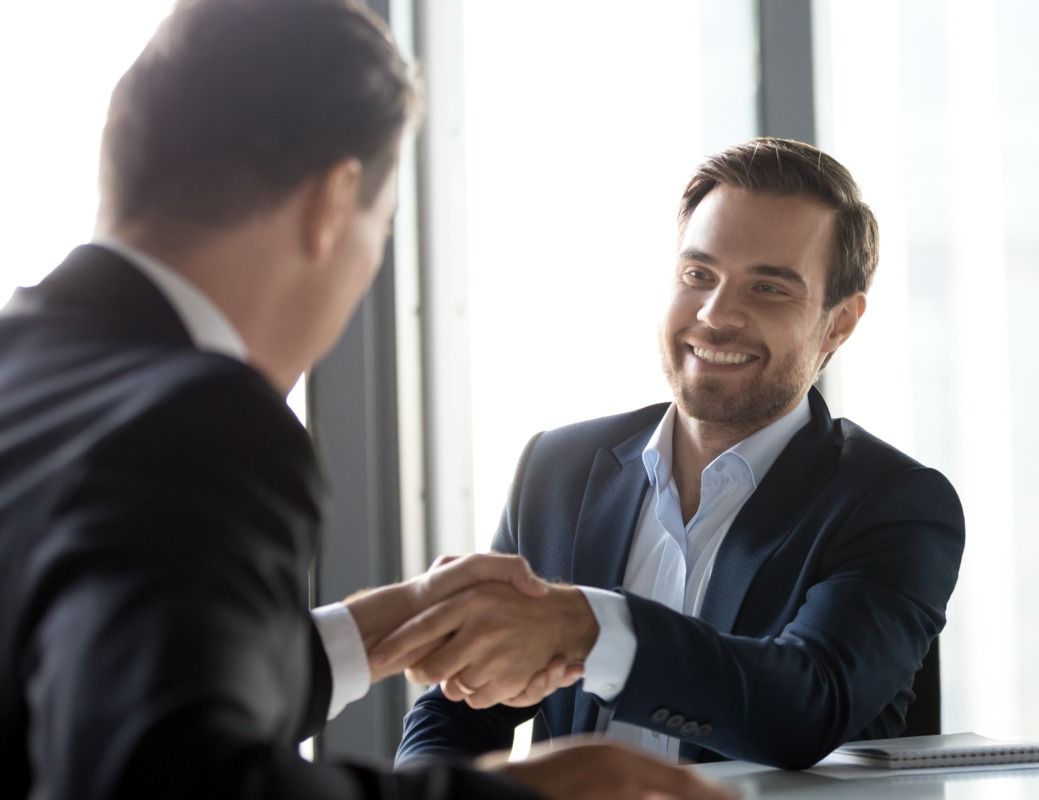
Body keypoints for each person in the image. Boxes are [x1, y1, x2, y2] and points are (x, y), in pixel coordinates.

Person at [0, 1, 733, 798]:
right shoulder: (201, 420)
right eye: (380, 228)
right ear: (329, 204)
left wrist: (373, 633)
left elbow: (96, 688)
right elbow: (165, 780)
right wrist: (535, 794)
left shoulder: (25, 367)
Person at [394, 137, 967, 771]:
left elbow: (805, 705)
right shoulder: (557, 471)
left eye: (769, 289)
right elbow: (457, 709)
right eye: (698, 276)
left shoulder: (895, 504)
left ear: (838, 324)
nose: (716, 315)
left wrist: (590, 629)